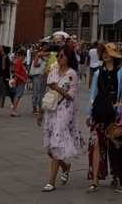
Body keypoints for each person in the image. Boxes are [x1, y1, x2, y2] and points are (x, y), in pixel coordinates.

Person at [41, 43, 82, 192]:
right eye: (58, 55)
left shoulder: (72, 74)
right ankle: (65, 166)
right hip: (51, 109)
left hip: (64, 110)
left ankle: (51, 181)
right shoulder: (53, 71)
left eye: (62, 56)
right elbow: (48, 93)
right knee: (50, 149)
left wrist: (57, 88)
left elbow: (71, 96)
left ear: (69, 58)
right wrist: (41, 111)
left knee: (56, 142)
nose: (59, 58)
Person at [87, 43, 122, 192]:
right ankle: (95, 179)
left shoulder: (121, 71)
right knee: (96, 144)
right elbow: (93, 93)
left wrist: (121, 109)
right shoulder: (98, 72)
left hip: (114, 114)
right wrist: (89, 113)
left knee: (113, 146)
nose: (105, 54)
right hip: (99, 112)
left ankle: (116, 175)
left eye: (108, 52)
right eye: (103, 52)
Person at [30, 43, 49, 115]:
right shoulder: (38, 54)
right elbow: (35, 64)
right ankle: (34, 107)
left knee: (42, 92)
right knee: (36, 91)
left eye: (46, 47)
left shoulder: (47, 56)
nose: (45, 48)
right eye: (44, 46)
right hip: (37, 75)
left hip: (44, 75)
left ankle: (40, 107)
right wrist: (41, 63)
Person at [10, 48, 28, 116]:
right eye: (24, 56)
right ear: (21, 55)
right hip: (20, 81)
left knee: (18, 95)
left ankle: (14, 109)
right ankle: (14, 110)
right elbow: (16, 73)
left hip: (20, 81)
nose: (24, 58)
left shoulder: (19, 62)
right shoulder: (18, 62)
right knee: (18, 95)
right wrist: (22, 78)